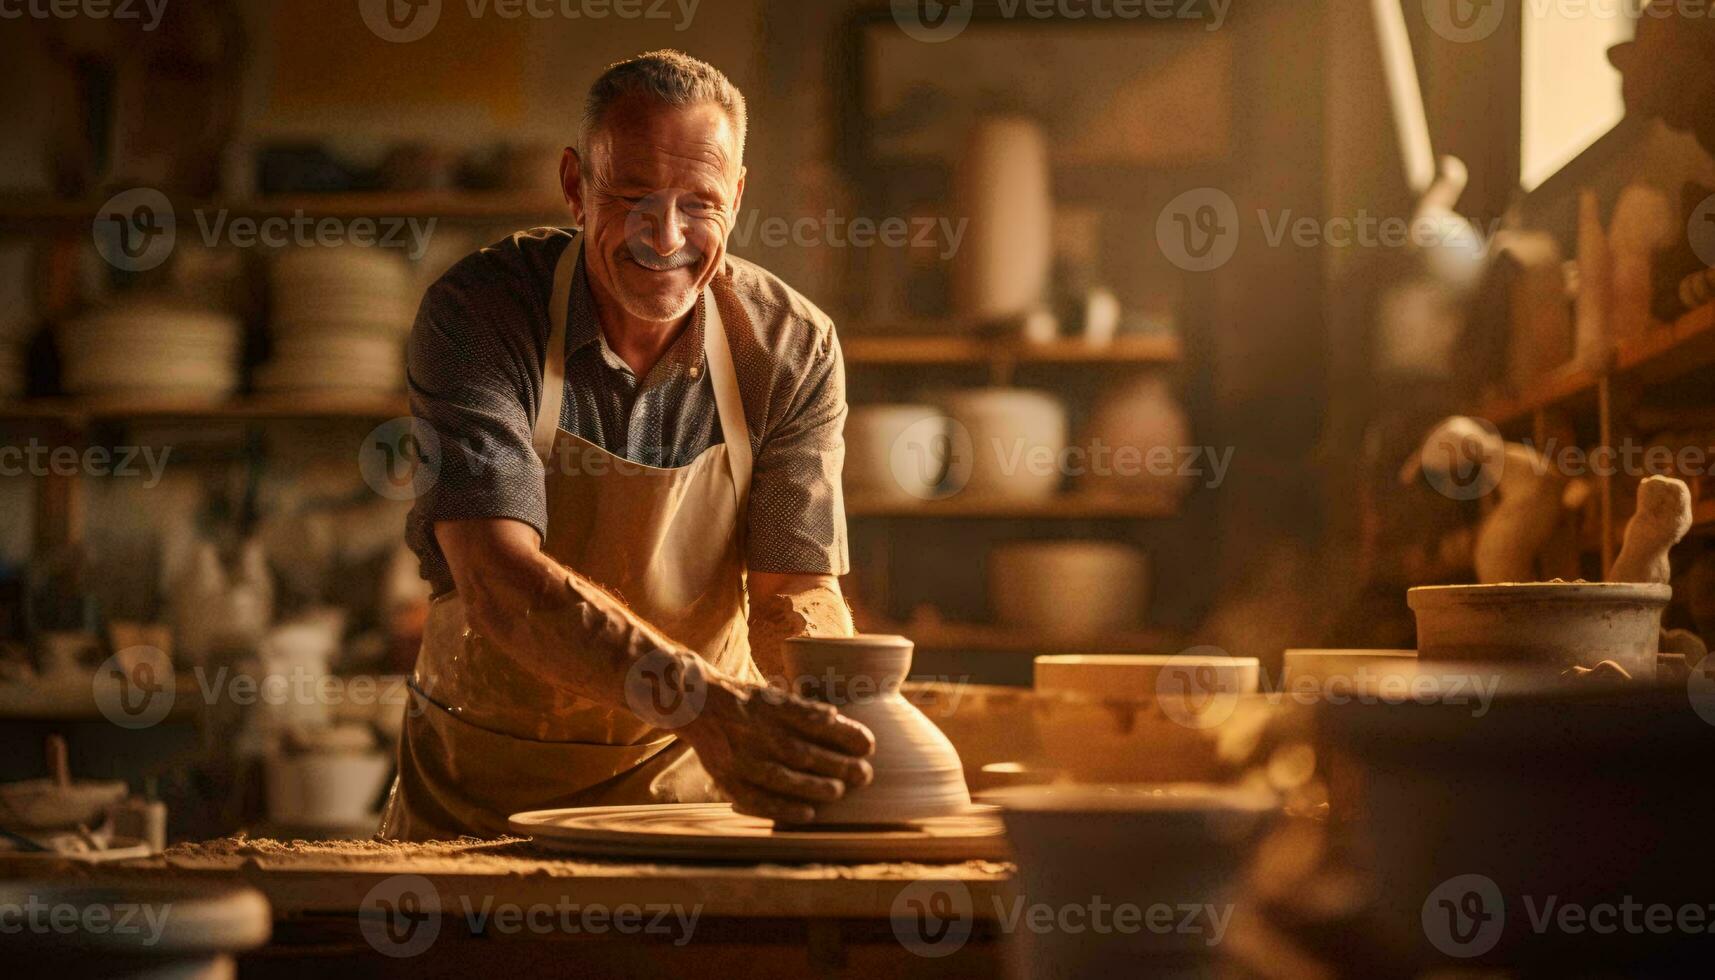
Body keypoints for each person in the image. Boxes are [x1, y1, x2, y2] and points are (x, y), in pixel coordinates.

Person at [380, 50, 874, 840]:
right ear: (575, 187)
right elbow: (496, 576)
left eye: (698, 202)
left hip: (693, 787)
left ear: (738, 197)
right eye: (632, 195)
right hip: (485, 798)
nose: (664, 235)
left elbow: (792, 593)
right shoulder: (481, 311)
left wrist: (835, 717)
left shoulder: (789, 346)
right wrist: (704, 701)